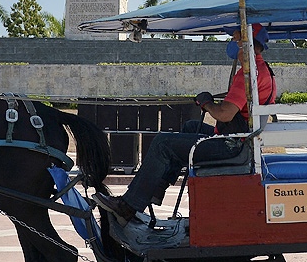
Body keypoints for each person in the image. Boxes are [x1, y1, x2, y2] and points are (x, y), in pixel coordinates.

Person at [94, 24, 278, 226]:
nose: (233, 44)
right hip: (241, 139)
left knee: (163, 143)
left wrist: (207, 104)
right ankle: (157, 187)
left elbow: (225, 114)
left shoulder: (250, 74)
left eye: (236, 40)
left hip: (234, 145)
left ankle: (128, 206)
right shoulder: (261, 69)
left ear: (248, 44)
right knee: (191, 126)